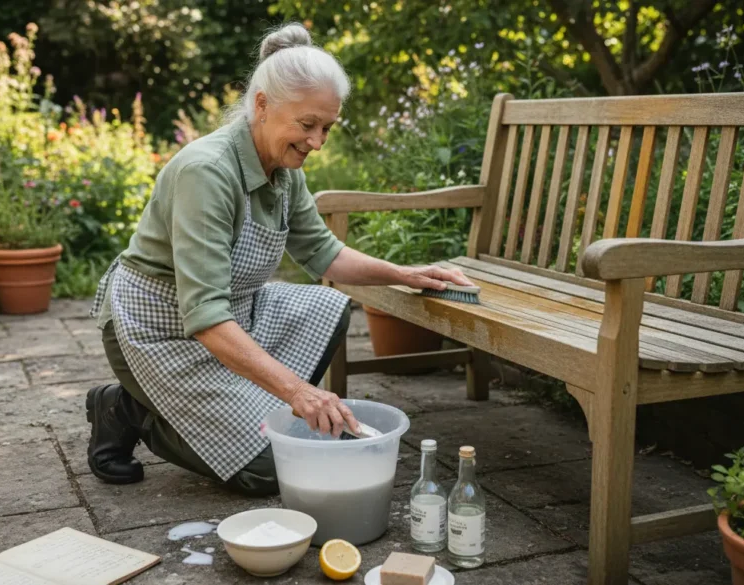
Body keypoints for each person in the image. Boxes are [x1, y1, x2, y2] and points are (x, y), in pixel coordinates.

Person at [86, 22, 472, 496]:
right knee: (272, 469)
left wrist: (405, 274)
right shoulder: (207, 173)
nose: (318, 142)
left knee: (327, 311)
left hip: (231, 316)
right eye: (307, 125)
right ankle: (126, 408)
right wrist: (297, 392)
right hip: (158, 329)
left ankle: (238, 411)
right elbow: (205, 316)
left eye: (327, 127)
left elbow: (324, 254)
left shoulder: (285, 171)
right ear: (263, 104)